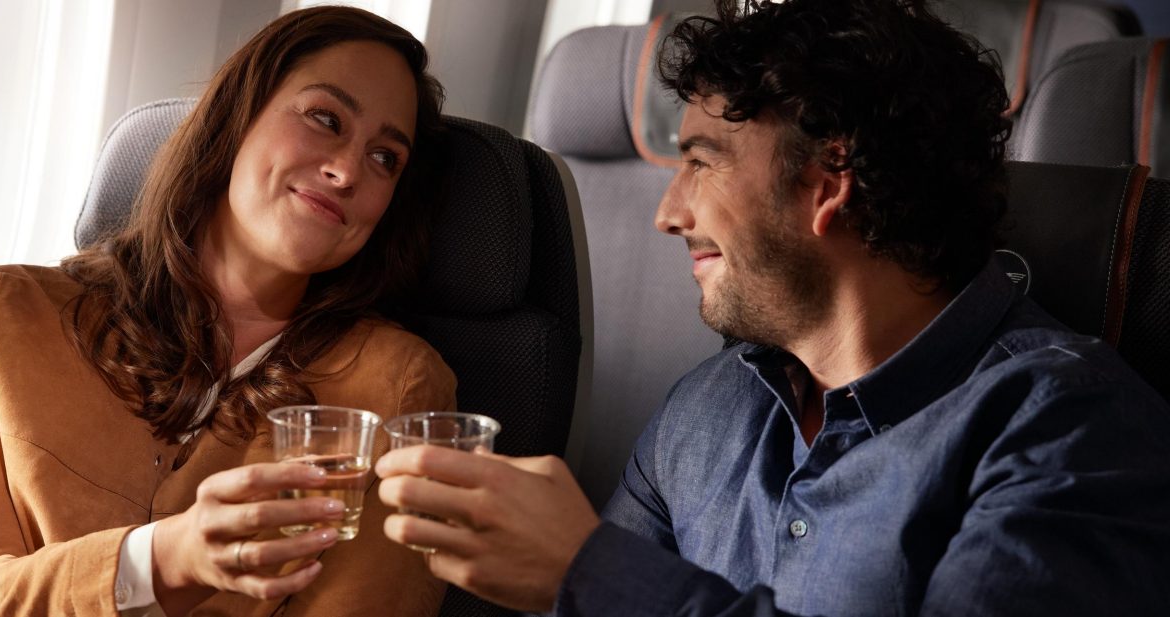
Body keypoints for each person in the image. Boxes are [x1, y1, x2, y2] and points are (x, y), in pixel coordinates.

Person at [375, 0, 1170, 614]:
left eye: (701, 163)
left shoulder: (1069, 426)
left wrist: (588, 572)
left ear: (829, 182)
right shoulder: (709, 407)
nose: (668, 213)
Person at [0, 7, 456, 617]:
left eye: (386, 158)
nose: (345, 171)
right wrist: (162, 561)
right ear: (237, 115)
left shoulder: (396, 387)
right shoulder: (1, 317)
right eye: (325, 119)